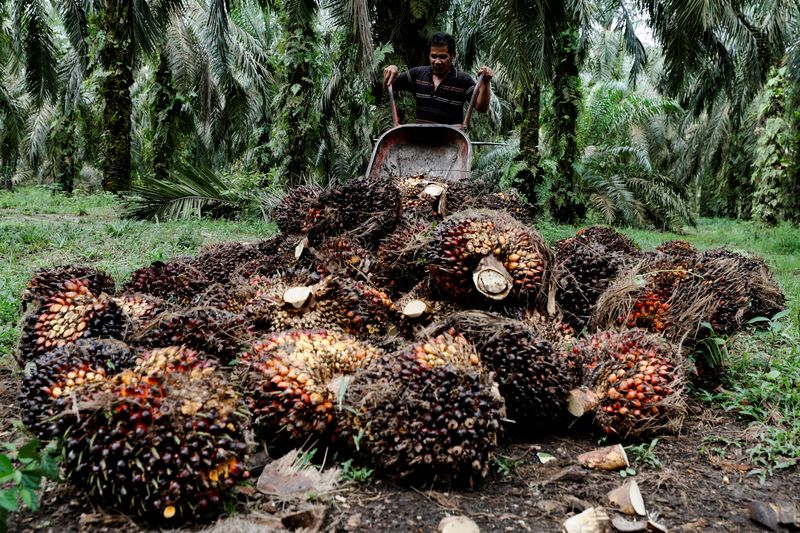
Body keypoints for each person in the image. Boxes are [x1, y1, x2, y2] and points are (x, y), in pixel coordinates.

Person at [383, 32, 494, 126]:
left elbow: (482, 108)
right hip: (421, 143)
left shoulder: (463, 80)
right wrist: (392, 69)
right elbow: (389, 86)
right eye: (433, 56)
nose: (437, 61)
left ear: (453, 56)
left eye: (442, 57)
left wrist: (486, 82)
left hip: (450, 145)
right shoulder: (417, 74)